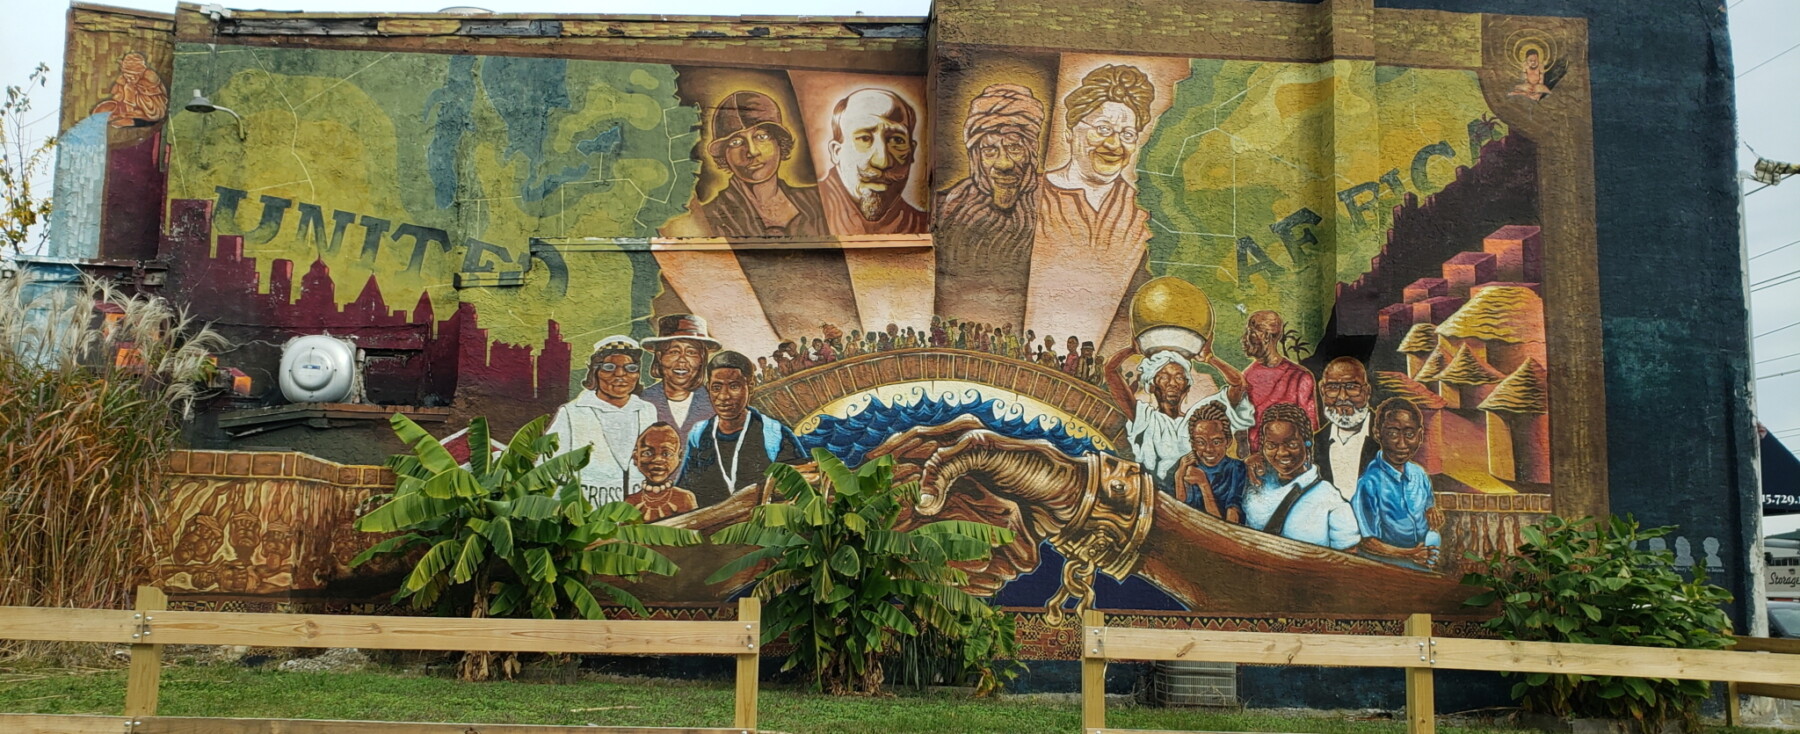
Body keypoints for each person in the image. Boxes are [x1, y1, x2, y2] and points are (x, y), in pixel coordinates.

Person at [1024, 64, 1157, 346]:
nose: (1114, 144)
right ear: (1071, 131)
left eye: (1127, 134)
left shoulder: (1143, 212)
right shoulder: (1030, 196)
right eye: (1103, 129)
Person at [935, 83, 1047, 327]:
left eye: (1015, 148)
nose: (1004, 163)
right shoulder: (947, 210)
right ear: (975, 157)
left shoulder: (1054, 206)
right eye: (989, 150)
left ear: (1031, 153)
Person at [679, 351, 806, 508]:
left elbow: (801, 491)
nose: (724, 396)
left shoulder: (774, 434)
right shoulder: (699, 435)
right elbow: (685, 492)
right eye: (716, 387)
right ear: (708, 389)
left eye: (734, 386)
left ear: (750, 388)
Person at [1118, 349, 1254, 492]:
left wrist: (1210, 358)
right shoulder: (1145, 417)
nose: (1173, 383)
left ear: (1187, 386)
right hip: (1151, 492)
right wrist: (1131, 350)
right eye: (1164, 377)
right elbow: (1110, 371)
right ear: (1152, 385)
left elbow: (1239, 385)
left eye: (1179, 377)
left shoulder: (1198, 419)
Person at [696, 90, 826, 237]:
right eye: (736, 142)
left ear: (779, 142)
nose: (752, 152)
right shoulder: (712, 216)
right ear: (724, 154)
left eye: (762, 137)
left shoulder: (816, 200)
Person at [548, 336, 658, 506]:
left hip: (637, 514)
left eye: (630, 368)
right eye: (609, 367)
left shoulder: (647, 411)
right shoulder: (572, 413)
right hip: (588, 514)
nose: (620, 374)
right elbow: (550, 470)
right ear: (595, 372)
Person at [1241, 403, 1360, 551]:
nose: (1282, 453)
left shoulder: (1329, 499)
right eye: (1272, 446)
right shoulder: (1255, 483)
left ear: (1307, 443)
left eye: (1291, 444)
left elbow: (1348, 558)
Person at [818, 88, 926, 235]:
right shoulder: (802, 214)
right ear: (836, 152)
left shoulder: (922, 224)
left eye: (896, 140)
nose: (882, 161)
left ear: (911, 151)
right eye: (864, 138)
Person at [1353, 399, 1444, 570]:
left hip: (1422, 566)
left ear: (1420, 435)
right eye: (1393, 434)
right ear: (1378, 434)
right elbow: (1367, 542)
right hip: (1386, 570)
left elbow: (1429, 505)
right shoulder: (1369, 483)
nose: (1401, 444)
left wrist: (1432, 511)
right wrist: (1408, 554)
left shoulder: (1419, 475)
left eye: (1409, 434)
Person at [640, 314, 719, 442]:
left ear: (702, 359)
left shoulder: (716, 402)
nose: (682, 360)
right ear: (660, 356)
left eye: (691, 352)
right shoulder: (642, 402)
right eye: (674, 352)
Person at [1241, 310, 1318, 439]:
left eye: (1250, 332)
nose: (1245, 339)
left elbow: (1311, 428)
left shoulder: (1300, 377)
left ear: (1265, 336)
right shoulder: (1246, 376)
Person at [1169, 402, 1248, 523]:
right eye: (1201, 442)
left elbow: (1230, 525)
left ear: (1228, 441)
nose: (1209, 449)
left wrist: (1204, 485)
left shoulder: (1236, 468)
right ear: (1193, 443)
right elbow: (1179, 510)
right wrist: (1179, 475)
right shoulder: (1187, 465)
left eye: (1216, 442)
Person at [1314, 357, 1377, 499]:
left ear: (1367, 391)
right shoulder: (1314, 444)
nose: (1342, 397)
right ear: (1322, 391)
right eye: (1333, 388)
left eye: (1352, 387)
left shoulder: (1388, 438)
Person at [628, 423, 699, 522]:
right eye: (647, 453)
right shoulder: (630, 503)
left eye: (667, 453)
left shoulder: (685, 499)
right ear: (636, 457)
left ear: (679, 457)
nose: (657, 459)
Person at [92, 52, 167, 127]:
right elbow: (118, 96)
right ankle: (127, 115)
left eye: (134, 75)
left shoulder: (150, 76)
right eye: (128, 75)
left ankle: (132, 117)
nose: (131, 78)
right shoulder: (123, 79)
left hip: (150, 105)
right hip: (130, 106)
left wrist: (132, 89)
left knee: (129, 88)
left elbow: (153, 95)